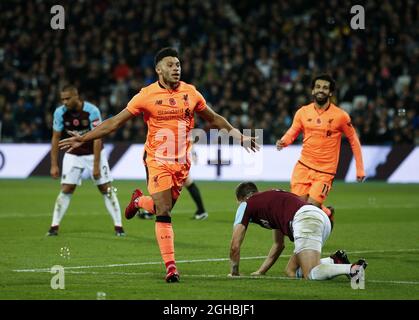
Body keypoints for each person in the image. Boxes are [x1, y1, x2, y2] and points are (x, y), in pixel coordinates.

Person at [59, 47, 258, 283]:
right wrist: (84, 137)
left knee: (161, 207)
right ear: (158, 69)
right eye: (171, 65)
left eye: (178, 64)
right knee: (163, 211)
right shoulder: (145, 95)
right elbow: (114, 122)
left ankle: (138, 201)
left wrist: (238, 136)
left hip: (181, 163)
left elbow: (214, 119)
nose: (176, 68)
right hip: (157, 160)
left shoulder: (191, 92)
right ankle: (171, 266)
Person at [229, 182, 367, 281]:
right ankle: (335, 260)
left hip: (306, 220)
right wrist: (261, 271)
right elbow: (278, 244)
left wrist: (234, 272)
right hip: (320, 217)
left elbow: (235, 245)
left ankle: (352, 269)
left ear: (242, 198)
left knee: (311, 274)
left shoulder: (247, 204)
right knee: (291, 271)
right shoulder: (269, 202)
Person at [276, 74, 365, 216]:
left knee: (309, 210)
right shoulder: (303, 112)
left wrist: (360, 169)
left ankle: (323, 212)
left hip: (325, 171)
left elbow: (353, 139)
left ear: (330, 92)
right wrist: (284, 141)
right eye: (317, 87)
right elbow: (293, 131)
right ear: (312, 91)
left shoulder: (340, 116)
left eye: (325, 88)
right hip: (303, 166)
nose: (320, 90)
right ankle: (327, 212)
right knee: (297, 208)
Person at [47, 85, 125, 237]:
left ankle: (119, 226)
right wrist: (54, 164)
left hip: (93, 153)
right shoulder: (60, 113)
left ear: (77, 96)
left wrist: (96, 165)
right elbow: (55, 138)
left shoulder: (92, 111)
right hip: (73, 154)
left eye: (67, 98)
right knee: (67, 188)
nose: (64, 102)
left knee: (105, 188)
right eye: (62, 99)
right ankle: (54, 226)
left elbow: (97, 138)